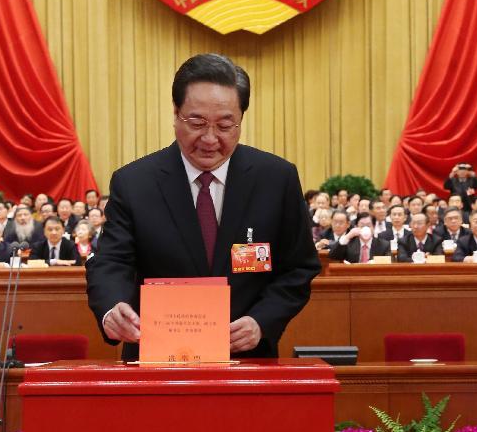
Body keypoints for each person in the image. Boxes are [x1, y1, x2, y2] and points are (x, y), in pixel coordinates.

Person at [86, 53, 319, 360]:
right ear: (175, 113)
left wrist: (262, 321)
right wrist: (112, 310)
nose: (210, 139)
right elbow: (111, 262)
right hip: (156, 362)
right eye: (196, 122)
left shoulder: (276, 179)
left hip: (247, 362)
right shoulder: (135, 183)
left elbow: (299, 267)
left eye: (225, 125)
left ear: (241, 119)